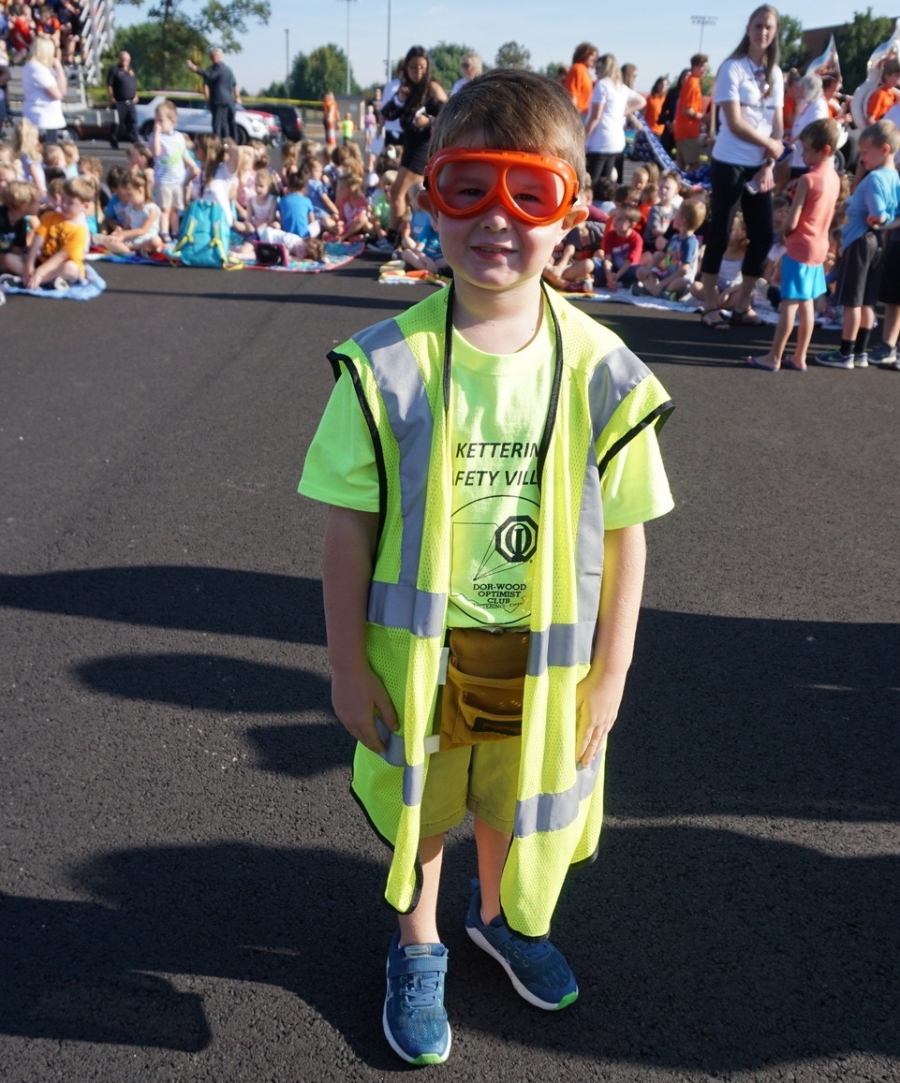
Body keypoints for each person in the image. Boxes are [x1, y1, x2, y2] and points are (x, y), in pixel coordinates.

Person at [298, 68, 674, 1067]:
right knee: (425, 805)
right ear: (429, 198)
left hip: (543, 659)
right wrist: (345, 664)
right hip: (420, 654)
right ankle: (418, 940)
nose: (496, 221)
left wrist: (614, 670)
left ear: (572, 213)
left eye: (529, 193)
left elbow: (627, 532)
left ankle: (502, 917)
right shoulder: (386, 366)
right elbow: (344, 530)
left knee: (515, 799)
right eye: (467, 188)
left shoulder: (604, 371)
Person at [697, 5, 784, 330]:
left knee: (762, 235)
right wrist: (771, 144)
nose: (763, 32)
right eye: (758, 25)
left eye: (769, 27)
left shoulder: (775, 73)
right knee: (720, 231)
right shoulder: (732, 68)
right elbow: (732, 122)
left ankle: (743, 304)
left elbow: (777, 124)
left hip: (760, 165)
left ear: (775, 33)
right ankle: (708, 305)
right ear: (749, 28)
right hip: (729, 161)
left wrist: (770, 161)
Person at [745, 119, 841, 371]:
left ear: (825, 150)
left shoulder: (809, 179)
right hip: (819, 245)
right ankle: (799, 355)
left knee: (789, 303)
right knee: (807, 302)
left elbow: (794, 217)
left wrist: (784, 232)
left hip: (800, 245)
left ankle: (774, 356)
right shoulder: (834, 178)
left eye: (808, 150)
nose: (803, 153)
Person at [814, 119, 900, 369]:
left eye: (865, 153)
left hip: (860, 241)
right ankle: (860, 352)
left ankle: (846, 352)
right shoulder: (893, 175)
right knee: (867, 301)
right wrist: (849, 205)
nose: (862, 159)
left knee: (852, 300)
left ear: (883, 150)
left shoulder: (874, 179)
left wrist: (879, 218)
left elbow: (878, 211)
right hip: (876, 244)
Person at [380, 46, 447, 246]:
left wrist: (428, 122)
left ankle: (395, 238)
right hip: (409, 147)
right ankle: (401, 238)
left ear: (427, 68)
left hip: (423, 148)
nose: (417, 72)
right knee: (406, 196)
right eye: (412, 67)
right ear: (406, 67)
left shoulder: (432, 88)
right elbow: (387, 113)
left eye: (421, 67)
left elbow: (449, 115)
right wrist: (400, 98)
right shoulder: (407, 89)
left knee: (399, 192)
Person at [22, 175, 94, 288]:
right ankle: (34, 278)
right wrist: (29, 265)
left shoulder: (80, 230)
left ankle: (33, 280)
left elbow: (61, 256)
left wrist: (39, 272)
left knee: (71, 269)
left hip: (61, 265)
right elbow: (37, 241)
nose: (64, 205)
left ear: (84, 205)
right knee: (11, 258)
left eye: (70, 203)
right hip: (43, 261)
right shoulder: (48, 217)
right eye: (63, 199)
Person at [584, 54, 645, 184]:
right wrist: (622, 112)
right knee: (608, 183)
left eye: (598, 68)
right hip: (617, 141)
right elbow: (641, 101)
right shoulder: (621, 87)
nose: (596, 71)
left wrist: (582, 137)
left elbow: (596, 116)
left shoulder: (602, 85)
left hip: (600, 141)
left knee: (593, 182)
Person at [150, 100, 198, 241]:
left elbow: (183, 154)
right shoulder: (155, 137)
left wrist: (193, 165)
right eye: (156, 120)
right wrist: (157, 133)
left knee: (175, 209)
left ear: (173, 121)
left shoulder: (178, 137)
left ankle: (175, 231)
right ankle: (164, 232)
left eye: (161, 120)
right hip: (163, 180)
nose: (157, 123)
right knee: (165, 208)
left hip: (178, 179)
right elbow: (156, 153)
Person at [187, 48, 240, 142]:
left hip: (219, 100)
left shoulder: (217, 68)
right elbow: (234, 84)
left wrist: (195, 69)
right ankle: (227, 142)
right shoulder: (228, 69)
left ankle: (218, 143)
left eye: (213, 56)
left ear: (218, 57)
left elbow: (210, 76)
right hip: (227, 100)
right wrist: (237, 97)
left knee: (217, 124)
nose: (211, 59)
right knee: (225, 123)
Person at [22, 36, 67, 144]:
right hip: (42, 120)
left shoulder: (42, 68)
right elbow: (57, 94)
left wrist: (59, 69)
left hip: (46, 119)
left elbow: (62, 90)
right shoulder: (37, 68)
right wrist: (59, 68)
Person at [786, 73, 829, 179]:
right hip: (798, 157)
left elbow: (815, 127)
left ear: (811, 88)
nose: (799, 91)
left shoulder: (819, 105)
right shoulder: (808, 104)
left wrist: (794, 139)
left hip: (805, 161)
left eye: (802, 88)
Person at [673, 53, 708, 171]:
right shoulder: (693, 84)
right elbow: (688, 110)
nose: (705, 70)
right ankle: (690, 188)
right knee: (694, 165)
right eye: (702, 66)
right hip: (689, 132)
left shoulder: (690, 83)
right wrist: (704, 117)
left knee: (681, 167)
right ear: (694, 66)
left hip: (682, 131)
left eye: (705, 66)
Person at [107, 50, 138, 149]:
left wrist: (136, 95)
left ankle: (135, 141)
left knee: (133, 122)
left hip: (130, 102)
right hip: (119, 101)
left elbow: (133, 84)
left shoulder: (131, 71)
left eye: (127, 59)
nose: (125, 61)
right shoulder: (115, 70)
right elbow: (109, 85)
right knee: (117, 123)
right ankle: (114, 142)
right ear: (120, 59)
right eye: (123, 59)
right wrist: (112, 97)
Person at [563, 42, 598, 118]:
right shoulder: (577, 68)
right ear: (584, 54)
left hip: (585, 114)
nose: (595, 59)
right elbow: (572, 94)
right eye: (592, 55)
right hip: (579, 114)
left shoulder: (585, 71)